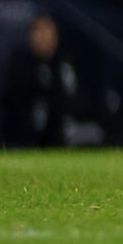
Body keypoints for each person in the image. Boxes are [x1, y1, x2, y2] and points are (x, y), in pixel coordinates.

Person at [2, 13, 78, 147]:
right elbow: (15, 105)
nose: (44, 37)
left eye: (49, 32)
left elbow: (69, 103)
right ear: (30, 36)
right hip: (21, 139)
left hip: (57, 139)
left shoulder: (62, 65)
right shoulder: (19, 64)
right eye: (39, 31)